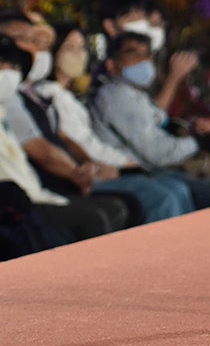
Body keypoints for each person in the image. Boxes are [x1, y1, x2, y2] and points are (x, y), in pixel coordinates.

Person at [36, 23, 195, 222]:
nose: (78, 55)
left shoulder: (73, 97)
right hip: (88, 173)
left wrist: (125, 165)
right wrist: (118, 166)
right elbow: (73, 142)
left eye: (82, 48)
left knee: (177, 188)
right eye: (70, 48)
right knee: (163, 197)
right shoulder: (49, 96)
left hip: (110, 166)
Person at [89, 31, 210, 205]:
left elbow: (158, 120)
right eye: (133, 54)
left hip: (159, 167)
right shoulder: (115, 96)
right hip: (141, 173)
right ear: (111, 65)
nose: (144, 61)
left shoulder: (135, 93)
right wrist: (200, 142)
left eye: (147, 55)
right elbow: (156, 151)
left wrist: (195, 129)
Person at [0, 30, 137, 236]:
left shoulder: (20, 100)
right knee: (99, 217)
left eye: (14, 66)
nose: (37, 49)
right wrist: (80, 173)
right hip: (29, 197)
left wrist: (86, 168)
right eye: (71, 48)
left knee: (121, 207)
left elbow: (67, 139)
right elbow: (42, 151)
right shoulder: (20, 98)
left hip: (43, 190)